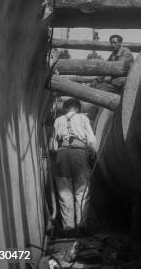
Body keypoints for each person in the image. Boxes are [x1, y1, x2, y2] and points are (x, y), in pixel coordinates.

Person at [52, 98, 97, 235]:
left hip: (62, 153)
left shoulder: (58, 120)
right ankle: (81, 226)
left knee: (64, 190)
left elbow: (53, 146)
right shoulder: (83, 118)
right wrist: (93, 154)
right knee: (81, 189)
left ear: (65, 108)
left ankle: (68, 228)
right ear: (78, 109)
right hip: (79, 153)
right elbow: (91, 140)